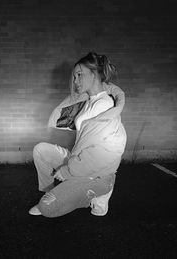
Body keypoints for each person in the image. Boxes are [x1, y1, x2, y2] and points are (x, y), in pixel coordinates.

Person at [29, 52, 127, 217]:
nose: (75, 81)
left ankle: (102, 190)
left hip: (96, 171)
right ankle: (54, 191)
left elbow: (99, 154)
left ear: (94, 74)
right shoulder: (88, 100)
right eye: (74, 77)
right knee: (40, 150)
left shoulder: (104, 106)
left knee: (47, 208)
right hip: (78, 160)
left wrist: (67, 171)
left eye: (79, 75)